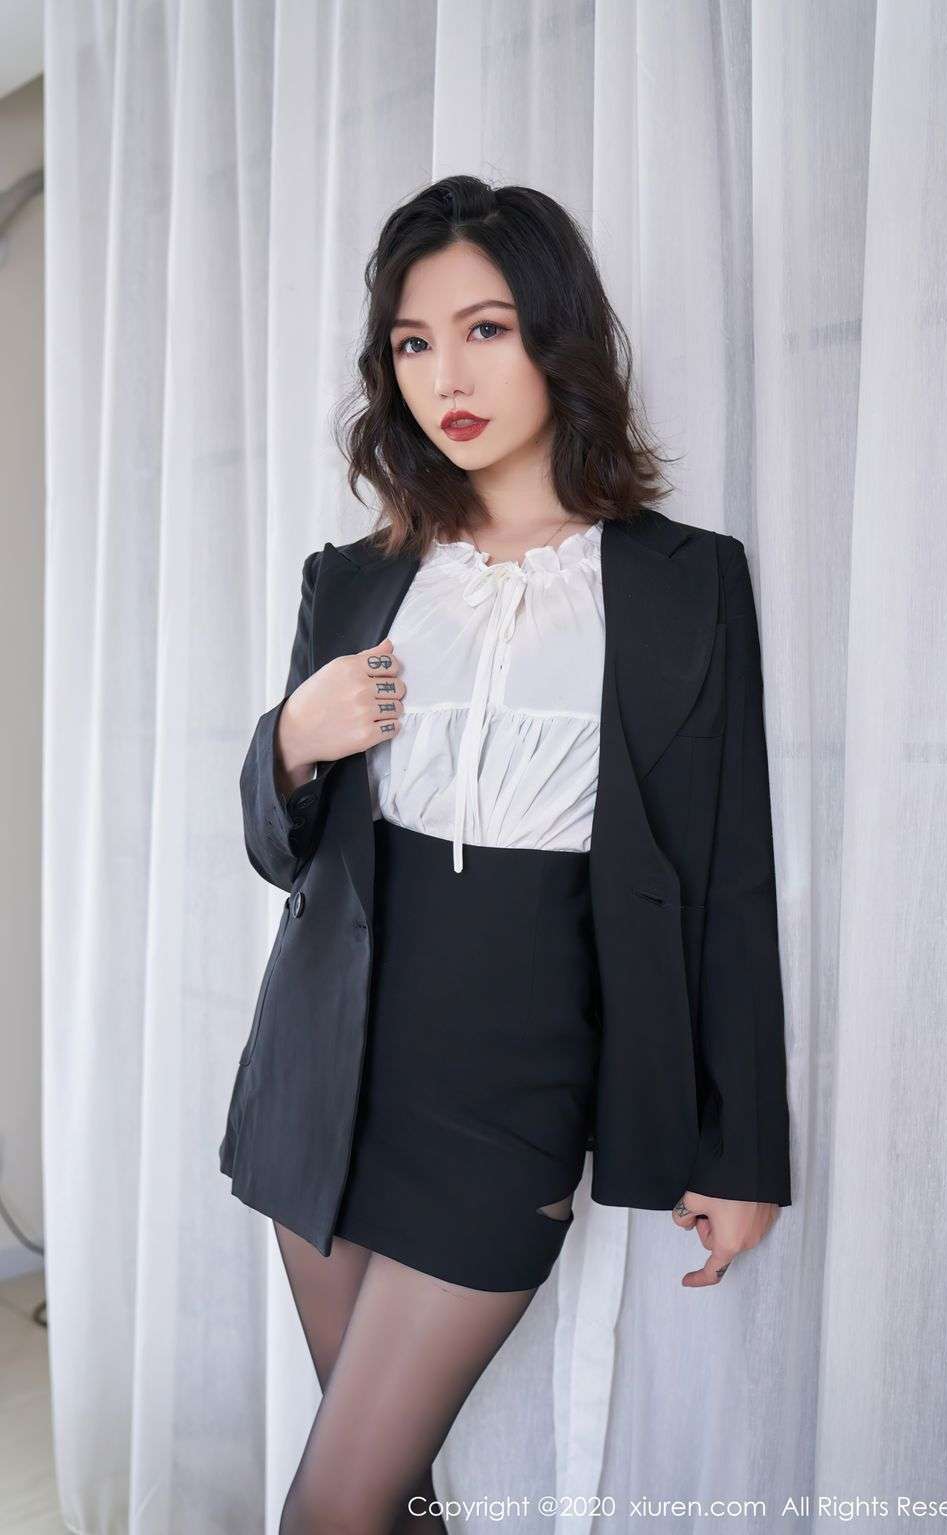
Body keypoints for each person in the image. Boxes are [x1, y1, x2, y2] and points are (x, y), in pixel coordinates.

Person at [219, 175, 792, 1534]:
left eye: (485, 329)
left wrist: (742, 1151)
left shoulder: (680, 583)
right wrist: (290, 739)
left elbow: (728, 877)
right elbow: (284, 856)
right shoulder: (357, 578)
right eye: (414, 343)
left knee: (333, 1507)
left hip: (512, 1091)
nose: (448, 376)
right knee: (389, 1493)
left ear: (555, 334)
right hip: (324, 1073)